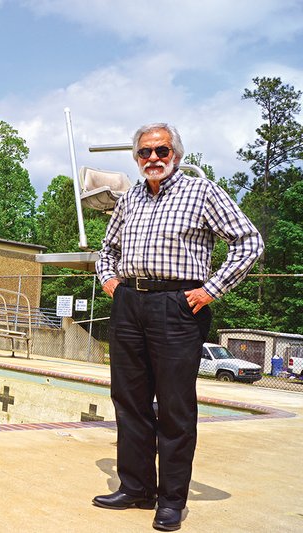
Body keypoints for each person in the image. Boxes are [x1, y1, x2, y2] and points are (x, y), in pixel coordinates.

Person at [93, 123, 263, 531]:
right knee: (129, 401)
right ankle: (135, 487)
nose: (153, 158)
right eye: (144, 152)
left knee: (174, 407)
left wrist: (211, 289)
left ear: (176, 155)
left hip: (178, 305)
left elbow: (249, 241)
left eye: (161, 151)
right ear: (136, 158)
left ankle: (171, 500)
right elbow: (107, 249)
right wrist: (109, 280)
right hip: (129, 303)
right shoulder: (130, 197)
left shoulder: (202, 192)